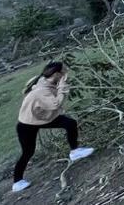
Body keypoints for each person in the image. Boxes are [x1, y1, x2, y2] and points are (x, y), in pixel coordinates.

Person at [11, 62, 95, 193]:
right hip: (27, 124)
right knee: (28, 152)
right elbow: (55, 104)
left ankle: (75, 152)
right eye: (64, 72)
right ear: (57, 74)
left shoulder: (45, 81)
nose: (66, 74)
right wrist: (63, 86)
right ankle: (17, 182)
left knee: (70, 123)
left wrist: (60, 85)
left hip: (41, 118)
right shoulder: (42, 91)